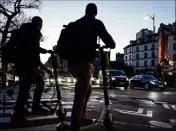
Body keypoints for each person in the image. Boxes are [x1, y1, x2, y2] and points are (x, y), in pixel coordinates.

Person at [67, 3, 116, 131]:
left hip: (71, 63)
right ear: (95, 12)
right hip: (82, 62)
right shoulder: (95, 23)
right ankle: (75, 125)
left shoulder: (77, 23)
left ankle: (81, 117)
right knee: (80, 93)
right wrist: (112, 44)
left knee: (87, 89)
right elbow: (109, 41)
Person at [11, 16, 52, 122]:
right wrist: (43, 67)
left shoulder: (25, 32)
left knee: (25, 87)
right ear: (38, 24)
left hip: (21, 65)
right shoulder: (33, 33)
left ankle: (19, 109)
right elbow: (33, 50)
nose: (41, 27)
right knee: (39, 82)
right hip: (27, 66)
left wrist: (45, 51)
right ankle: (34, 106)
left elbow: (34, 48)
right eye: (40, 24)